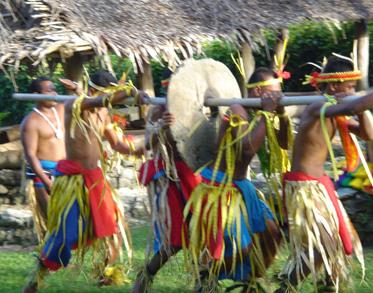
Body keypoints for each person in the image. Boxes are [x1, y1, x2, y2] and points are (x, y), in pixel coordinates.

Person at [23, 71, 146, 293]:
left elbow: (119, 145)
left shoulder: (104, 114)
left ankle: (103, 272)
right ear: (97, 90)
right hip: (72, 181)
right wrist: (131, 92)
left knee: (115, 227)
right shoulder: (74, 104)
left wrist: (153, 139)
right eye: (110, 92)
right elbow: (100, 100)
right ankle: (34, 281)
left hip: (95, 179)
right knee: (64, 237)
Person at [275, 56, 373, 293]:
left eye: (353, 88)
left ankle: (328, 285)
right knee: (321, 244)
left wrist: (360, 109)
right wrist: (358, 103)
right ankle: (286, 286)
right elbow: (352, 105)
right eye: (349, 87)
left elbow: (368, 134)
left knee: (340, 240)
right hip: (305, 188)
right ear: (334, 86)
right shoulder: (319, 106)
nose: (352, 91)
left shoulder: (334, 109)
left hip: (318, 186)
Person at [183, 96, 283, 292]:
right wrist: (268, 114)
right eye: (274, 90)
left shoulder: (258, 112)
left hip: (242, 186)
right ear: (259, 91)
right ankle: (206, 277)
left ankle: (250, 282)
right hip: (220, 187)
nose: (278, 94)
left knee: (272, 233)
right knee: (242, 248)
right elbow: (245, 149)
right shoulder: (236, 110)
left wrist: (282, 115)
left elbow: (285, 143)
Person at [132, 69, 202, 292]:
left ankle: (204, 282)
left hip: (192, 175)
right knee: (175, 240)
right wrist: (161, 127)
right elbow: (148, 146)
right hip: (168, 178)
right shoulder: (158, 110)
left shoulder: (194, 108)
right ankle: (146, 275)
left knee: (202, 232)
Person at [21, 77, 66, 240]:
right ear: (36, 95)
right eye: (49, 90)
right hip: (44, 176)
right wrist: (47, 182)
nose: (54, 93)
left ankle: (59, 259)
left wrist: (74, 88)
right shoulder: (31, 122)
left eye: (55, 89)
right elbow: (30, 155)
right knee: (53, 223)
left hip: (65, 173)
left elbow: (82, 100)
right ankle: (49, 261)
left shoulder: (61, 109)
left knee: (71, 221)